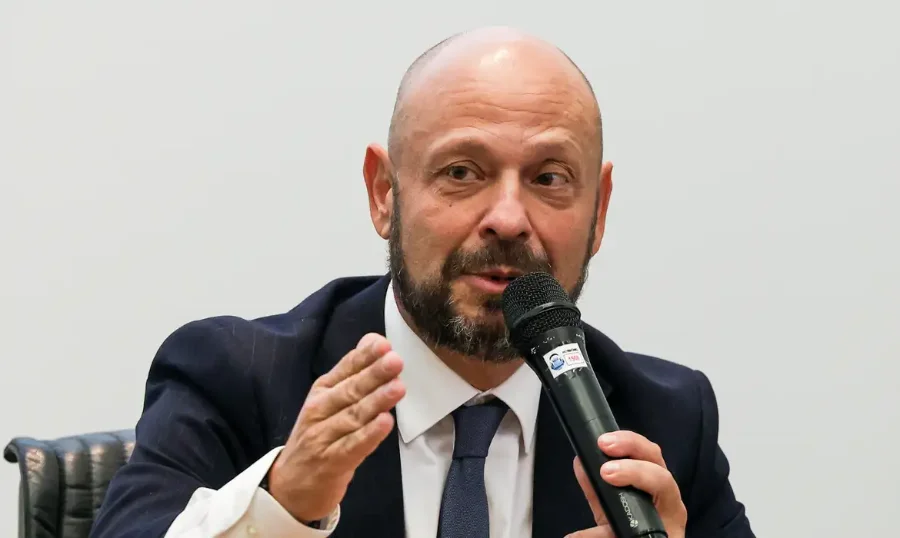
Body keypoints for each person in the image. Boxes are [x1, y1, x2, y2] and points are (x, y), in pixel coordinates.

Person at [89, 26, 754, 538]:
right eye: (462, 172)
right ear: (384, 193)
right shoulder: (239, 379)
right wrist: (281, 506)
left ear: (599, 212)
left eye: (549, 178)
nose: (508, 219)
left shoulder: (663, 418)